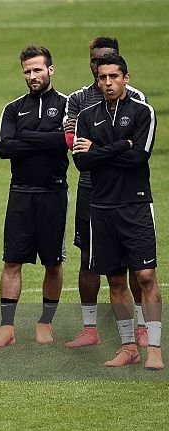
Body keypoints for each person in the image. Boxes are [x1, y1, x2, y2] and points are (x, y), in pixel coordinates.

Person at [72, 53, 163, 370]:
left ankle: (154, 347)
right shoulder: (86, 116)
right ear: (97, 81)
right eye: (102, 78)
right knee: (115, 280)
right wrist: (119, 146)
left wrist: (98, 151)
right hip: (101, 207)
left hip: (135, 204)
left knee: (146, 276)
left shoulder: (143, 112)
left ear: (126, 77)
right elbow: (81, 162)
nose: (108, 82)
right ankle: (128, 347)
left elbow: (140, 157)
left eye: (114, 76)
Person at [63, 37, 149, 349]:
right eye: (95, 60)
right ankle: (90, 329)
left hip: (128, 192)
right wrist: (119, 147)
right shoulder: (77, 99)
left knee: (135, 264)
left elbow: (140, 150)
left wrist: (99, 149)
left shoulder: (137, 99)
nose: (99, 65)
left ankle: (142, 326)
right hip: (92, 190)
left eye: (106, 60)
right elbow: (75, 147)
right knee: (88, 258)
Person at [0, 45, 68, 348]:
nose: (32, 76)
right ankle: (6, 327)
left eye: (37, 69)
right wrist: (48, 140)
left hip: (54, 192)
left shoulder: (66, 105)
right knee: (12, 260)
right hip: (20, 193)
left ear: (50, 70)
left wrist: (26, 136)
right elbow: (4, 148)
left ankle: (45, 323)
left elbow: (66, 141)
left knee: (53, 262)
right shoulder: (13, 108)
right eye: (27, 71)